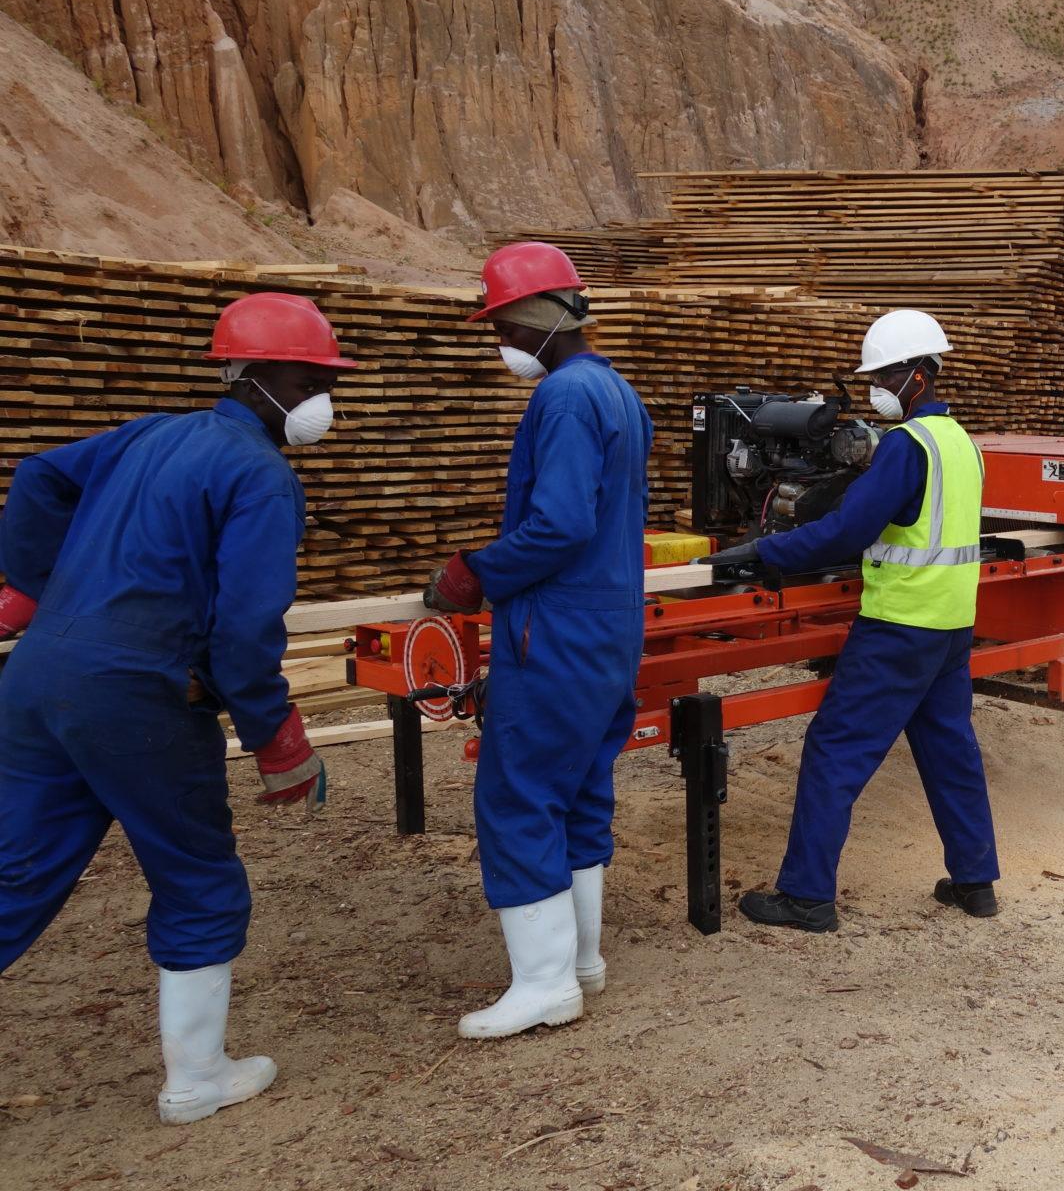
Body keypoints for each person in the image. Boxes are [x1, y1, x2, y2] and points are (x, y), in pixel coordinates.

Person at [0, 294, 352, 1123]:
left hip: (37, 676)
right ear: (260, 380)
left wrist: (34, 586)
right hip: (138, 698)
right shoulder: (261, 477)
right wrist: (277, 739)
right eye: (311, 378)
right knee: (197, 877)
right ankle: (197, 1080)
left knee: (14, 871)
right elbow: (242, 634)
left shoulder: (154, 433)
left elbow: (40, 475)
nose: (322, 398)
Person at [421, 242, 652, 1039]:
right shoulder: (618, 392)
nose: (502, 343)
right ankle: (581, 961)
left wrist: (474, 572)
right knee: (580, 789)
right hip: (611, 627)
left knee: (519, 793)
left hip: (553, 631)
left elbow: (558, 524)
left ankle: (546, 984)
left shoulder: (562, 398)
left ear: (532, 317)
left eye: (503, 326)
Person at [706, 309, 998, 934]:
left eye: (884, 374)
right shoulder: (964, 444)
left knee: (835, 748)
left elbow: (848, 530)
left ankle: (807, 897)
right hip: (950, 626)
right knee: (951, 750)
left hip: (898, 627)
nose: (876, 388)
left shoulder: (906, 446)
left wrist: (766, 552)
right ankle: (975, 883)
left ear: (917, 375)